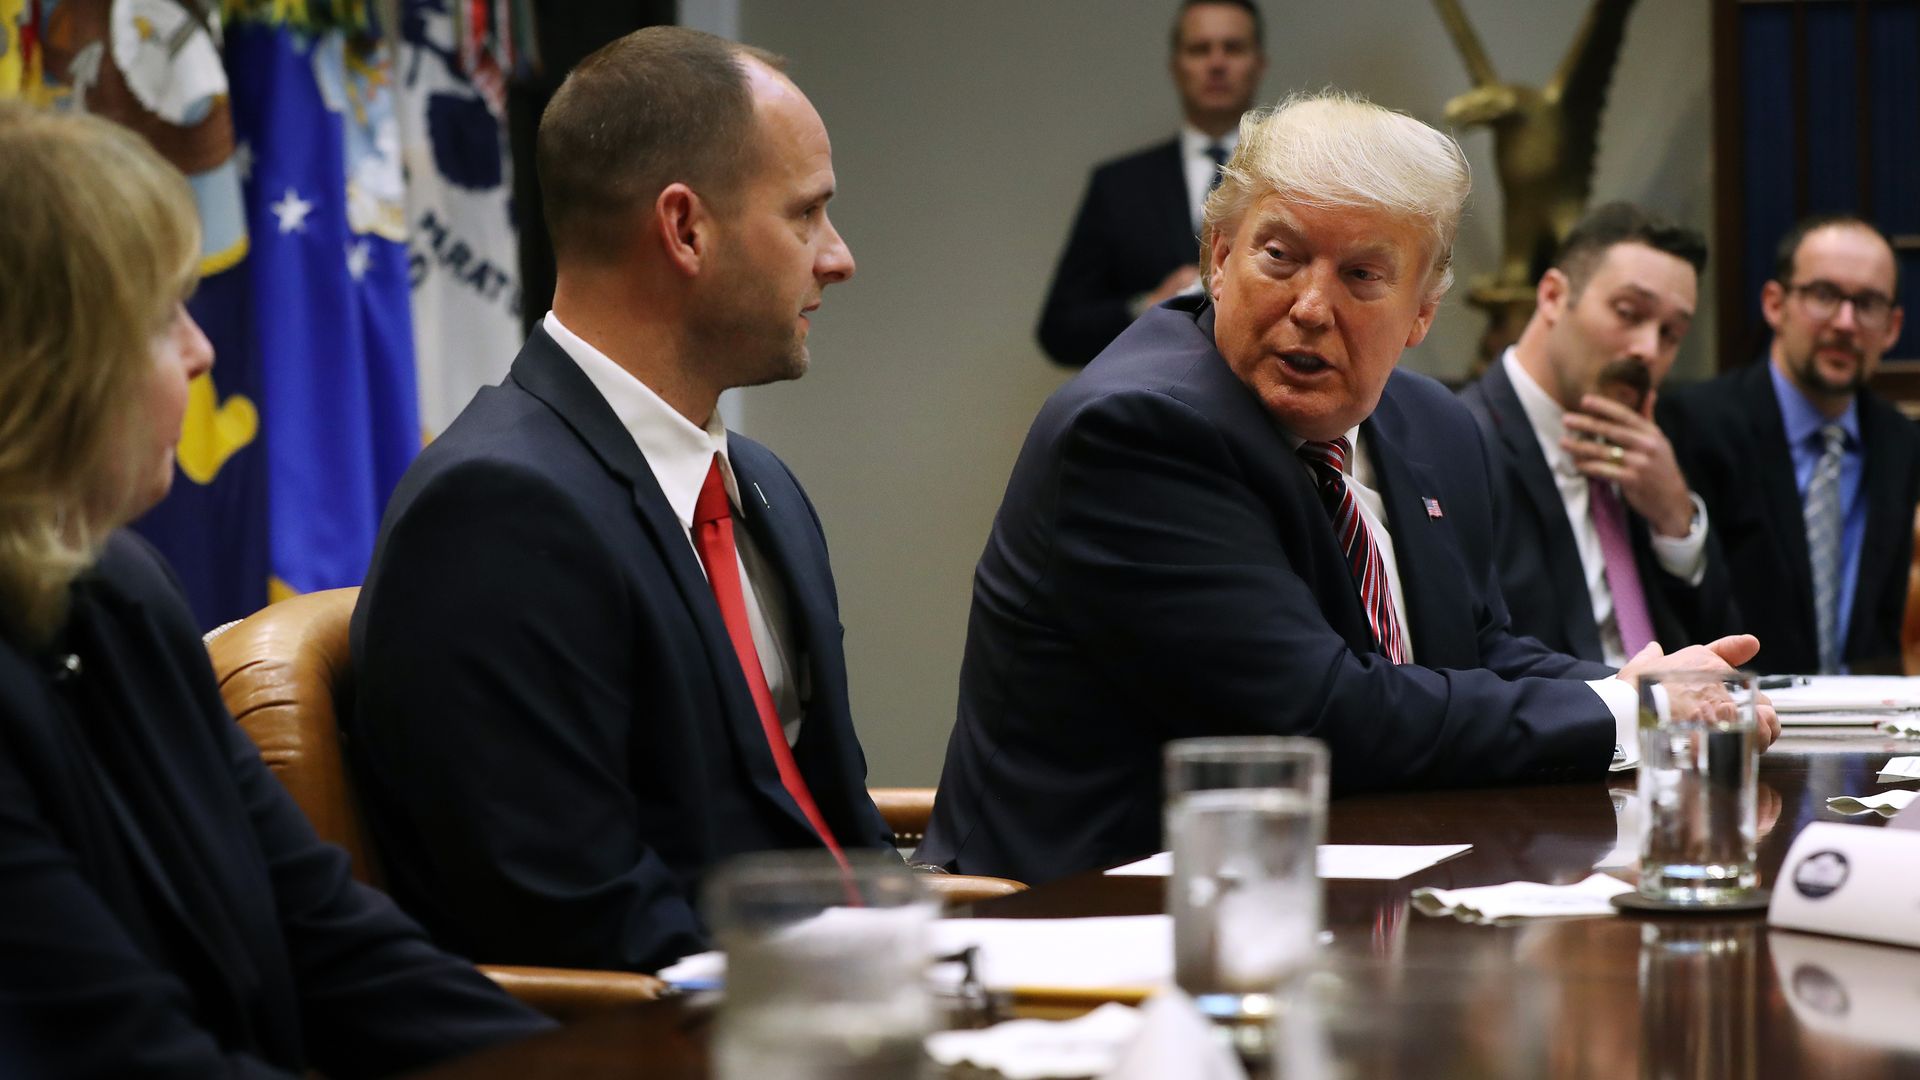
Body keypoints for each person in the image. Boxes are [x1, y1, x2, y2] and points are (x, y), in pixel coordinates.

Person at [919, 92, 1776, 886]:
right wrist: (1625, 714)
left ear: (1421, 314)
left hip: (1346, 893)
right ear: (1218, 258)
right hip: (1094, 923)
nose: (1311, 306)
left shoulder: (1431, 425)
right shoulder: (1141, 430)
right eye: (1280, 256)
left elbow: (1474, 649)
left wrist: (1649, 689)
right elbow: (1320, 713)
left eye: (1362, 275)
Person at [0, 104, 551, 1077]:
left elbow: (328, 931)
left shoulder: (121, 590)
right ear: (44, 363)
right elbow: (116, 1053)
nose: (202, 351)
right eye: (159, 315)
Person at [348, 27, 894, 976]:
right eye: (806, 215)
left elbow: (835, 834)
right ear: (685, 229)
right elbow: (572, 924)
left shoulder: (761, 488)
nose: (839, 258)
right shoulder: (494, 515)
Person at [1459, 202, 1736, 664]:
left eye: (1670, 333)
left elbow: (1723, 649)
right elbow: (1478, 659)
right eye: (1628, 312)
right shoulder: (1461, 439)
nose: (1648, 349)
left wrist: (1675, 522)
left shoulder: (1657, 443)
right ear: (1551, 296)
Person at [1659, 215, 1917, 674]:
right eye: (1823, 295)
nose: (1845, 322)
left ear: (1893, 327)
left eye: (1868, 303)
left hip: (1863, 719)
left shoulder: (1901, 443)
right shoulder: (1698, 425)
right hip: (1739, 712)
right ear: (1775, 304)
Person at [1035, 0, 1266, 367]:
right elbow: (1060, 329)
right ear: (1177, 66)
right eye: (1200, 49)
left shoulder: (1289, 178)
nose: (1217, 63)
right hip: (1149, 403)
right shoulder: (1120, 187)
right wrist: (1145, 307)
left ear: (1259, 63)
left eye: (1233, 48)